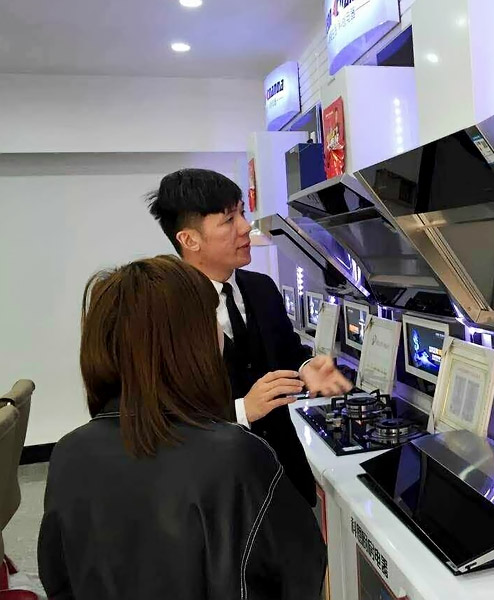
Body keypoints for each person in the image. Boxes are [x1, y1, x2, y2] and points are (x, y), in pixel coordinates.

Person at [38, 256, 326, 600]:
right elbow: (302, 569)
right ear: (190, 340)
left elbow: (59, 578)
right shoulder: (236, 457)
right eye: (212, 318)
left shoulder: (69, 453)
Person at [147, 169, 352, 507]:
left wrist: (306, 367)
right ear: (189, 240)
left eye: (242, 213)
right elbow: (162, 416)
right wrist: (241, 410)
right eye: (229, 220)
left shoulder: (261, 288)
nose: (245, 227)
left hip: (285, 477)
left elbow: (287, 350)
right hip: (220, 493)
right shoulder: (163, 312)